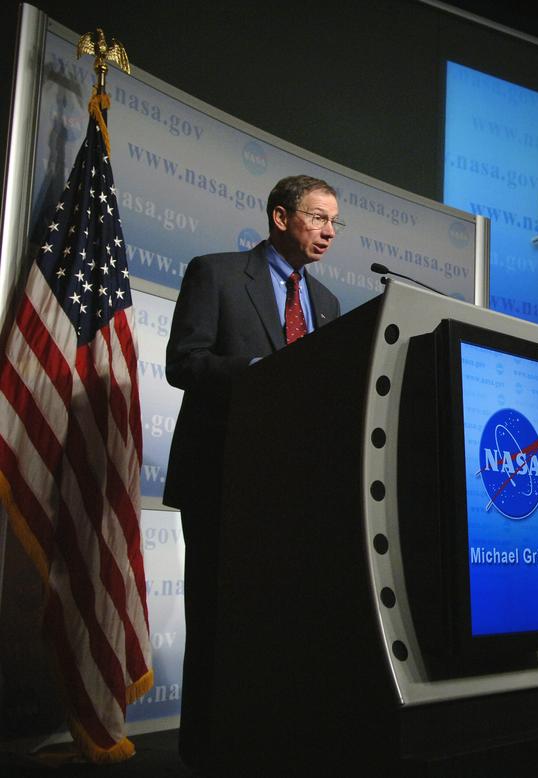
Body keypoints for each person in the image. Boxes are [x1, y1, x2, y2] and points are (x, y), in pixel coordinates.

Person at [163, 175, 343, 768]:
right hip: (221, 476)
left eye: (334, 222)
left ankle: (269, 742)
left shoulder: (328, 304)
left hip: (292, 487)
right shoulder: (216, 274)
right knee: (216, 615)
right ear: (280, 217)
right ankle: (206, 752)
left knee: (280, 623)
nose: (329, 231)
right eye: (318, 218)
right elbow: (183, 363)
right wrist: (260, 370)